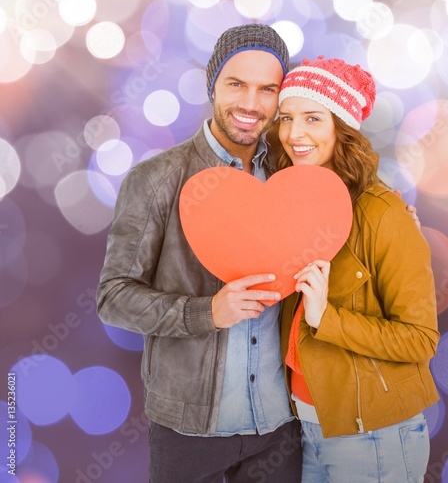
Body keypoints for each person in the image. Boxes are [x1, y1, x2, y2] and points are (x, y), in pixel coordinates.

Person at [96, 24, 303, 482]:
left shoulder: (291, 177)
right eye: (236, 84)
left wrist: (389, 211)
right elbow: (113, 297)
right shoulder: (156, 180)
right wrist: (207, 311)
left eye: (268, 89)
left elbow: (337, 212)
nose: (251, 104)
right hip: (188, 428)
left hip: (280, 424)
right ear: (213, 85)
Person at [269, 56, 440, 482]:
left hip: (374, 436)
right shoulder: (292, 205)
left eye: (313, 118)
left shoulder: (383, 213)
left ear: (341, 128)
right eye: (287, 118)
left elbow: (421, 340)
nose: (295, 133)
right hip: (310, 425)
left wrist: (326, 318)